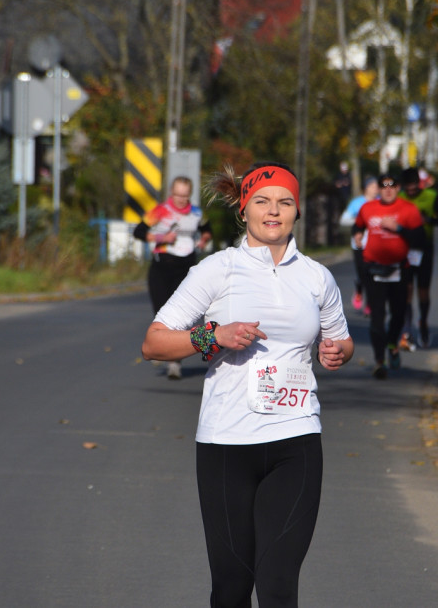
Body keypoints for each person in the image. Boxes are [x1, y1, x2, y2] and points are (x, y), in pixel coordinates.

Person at [140, 162, 353, 608]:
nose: (273, 211)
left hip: (296, 440)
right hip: (225, 444)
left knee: (277, 586)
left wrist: (338, 352)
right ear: (244, 210)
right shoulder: (216, 270)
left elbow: (340, 338)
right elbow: (154, 343)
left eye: (284, 202)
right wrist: (211, 335)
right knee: (232, 588)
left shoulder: (317, 276)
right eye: (262, 201)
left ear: (296, 211)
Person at [133, 176, 212, 380]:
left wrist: (203, 240)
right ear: (171, 193)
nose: (181, 199)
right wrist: (162, 238)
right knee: (162, 314)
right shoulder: (160, 211)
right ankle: (168, 355)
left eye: (185, 195)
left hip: (186, 268)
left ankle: (186, 356)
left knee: (187, 316)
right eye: (177, 195)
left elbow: (206, 231)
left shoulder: (196, 213)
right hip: (162, 267)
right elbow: (139, 232)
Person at [353, 171, 426, 378]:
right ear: (378, 188)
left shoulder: (408, 209)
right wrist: (357, 235)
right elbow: (357, 226)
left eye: (392, 186)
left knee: (398, 313)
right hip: (373, 268)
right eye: (383, 186)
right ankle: (379, 361)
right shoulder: (367, 208)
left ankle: (393, 343)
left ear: (398, 188)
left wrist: (398, 228)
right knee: (377, 316)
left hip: (399, 269)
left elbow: (420, 239)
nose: (387, 190)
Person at [399, 167, 438, 349]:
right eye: (407, 188)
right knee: (407, 290)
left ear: (419, 184)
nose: (410, 191)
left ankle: (423, 322)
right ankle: (407, 330)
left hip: (424, 248)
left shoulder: (431, 196)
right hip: (405, 249)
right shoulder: (399, 197)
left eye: (413, 188)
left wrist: (430, 220)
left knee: (423, 290)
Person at [339, 176, 379, 316]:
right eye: (373, 186)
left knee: (373, 274)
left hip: (376, 244)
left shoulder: (380, 202)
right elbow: (344, 220)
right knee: (362, 274)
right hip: (359, 244)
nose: (376, 189)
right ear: (366, 187)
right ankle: (359, 290)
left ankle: (370, 303)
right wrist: (360, 221)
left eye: (377, 186)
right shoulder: (357, 203)